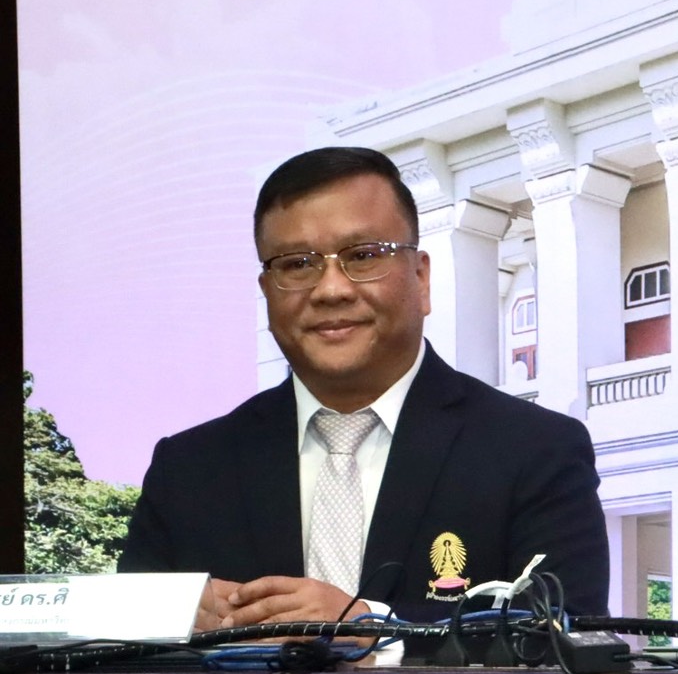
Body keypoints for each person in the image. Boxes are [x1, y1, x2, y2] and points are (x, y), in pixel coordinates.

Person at [120, 147, 609, 631]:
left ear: (421, 278)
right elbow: (111, 649)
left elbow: (564, 634)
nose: (331, 289)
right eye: (297, 264)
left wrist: (373, 629)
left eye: (363, 256)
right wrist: (166, 624)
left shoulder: (535, 450)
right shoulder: (188, 471)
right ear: (267, 291)